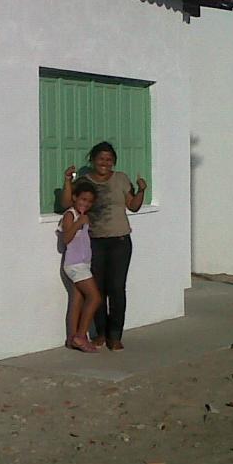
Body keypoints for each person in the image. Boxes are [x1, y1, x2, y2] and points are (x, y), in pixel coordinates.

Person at [62, 141, 147, 350]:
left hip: (120, 241)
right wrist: (67, 180)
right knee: (98, 289)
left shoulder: (121, 179)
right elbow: (67, 203)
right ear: (93, 160)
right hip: (94, 242)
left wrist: (142, 190)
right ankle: (100, 333)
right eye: (101, 158)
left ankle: (115, 335)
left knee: (117, 288)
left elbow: (133, 206)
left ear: (114, 162)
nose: (105, 163)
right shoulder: (85, 181)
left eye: (109, 159)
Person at [57, 181, 102, 353]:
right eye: (83, 199)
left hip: (82, 263)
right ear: (75, 198)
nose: (86, 204)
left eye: (89, 201)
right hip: (75, 264)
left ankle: (71, 338)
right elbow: (66, 239)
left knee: (77, 300)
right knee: (94, 298)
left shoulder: (84, 216)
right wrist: (79, 223)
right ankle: (81, 336)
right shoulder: (70, 215)